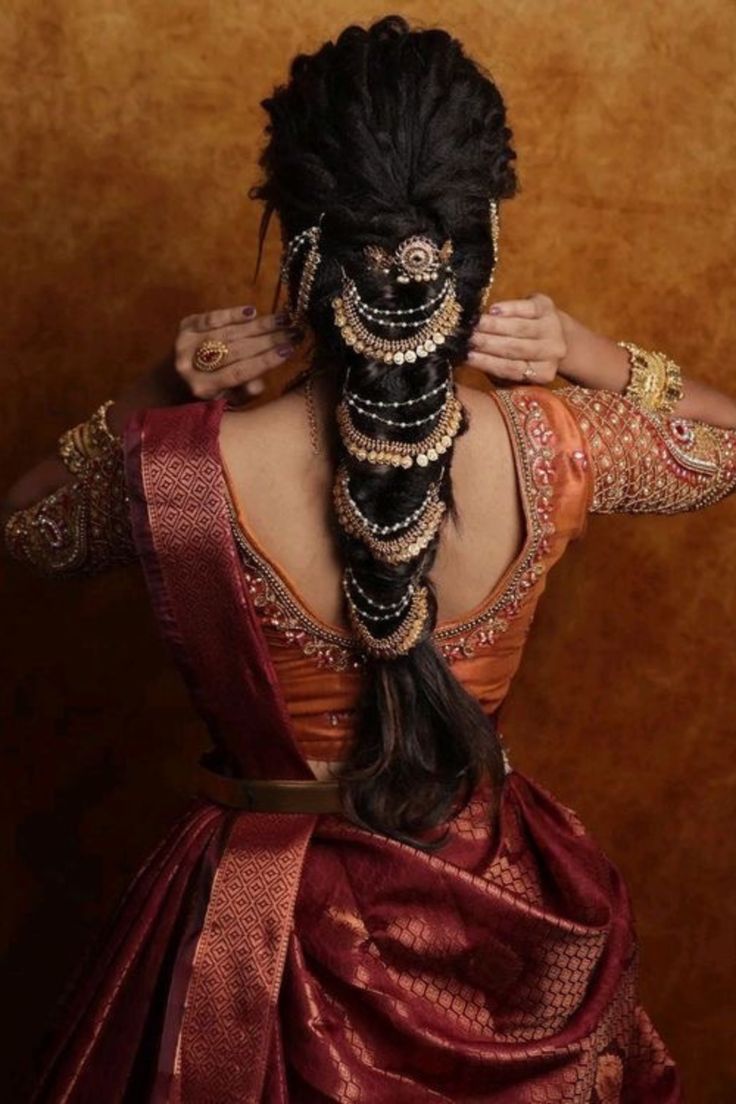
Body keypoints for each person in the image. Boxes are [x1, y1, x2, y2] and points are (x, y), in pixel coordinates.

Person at [4, 14, 735, 1104]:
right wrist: (590, 355)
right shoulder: (553, 445)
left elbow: (26, 526)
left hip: (256, 947)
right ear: (471, 242)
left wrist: (159, 390)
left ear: (300, 247)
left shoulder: (184, 468)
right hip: (497, 914)